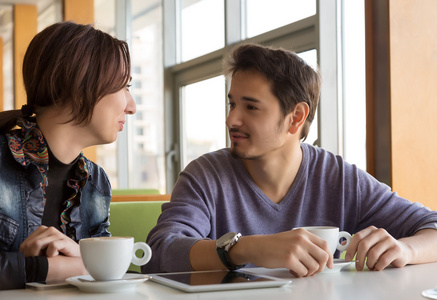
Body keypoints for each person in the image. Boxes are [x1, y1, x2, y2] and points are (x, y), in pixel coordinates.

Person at [143, 43, 437, 277]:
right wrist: (246, 248)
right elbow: (158, 252)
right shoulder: (205, 175)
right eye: (233, 103)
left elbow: (432, 226)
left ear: (296, 117)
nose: (231, 119)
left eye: (251, 107)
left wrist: (404, 250)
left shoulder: (340, 179)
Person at [0, 21, 136, 290]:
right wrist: (42, 268)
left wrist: (83, 261)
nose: (131, 106)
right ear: (80, 86)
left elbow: (103, 274)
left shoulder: (96, 181)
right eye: (123, 87)